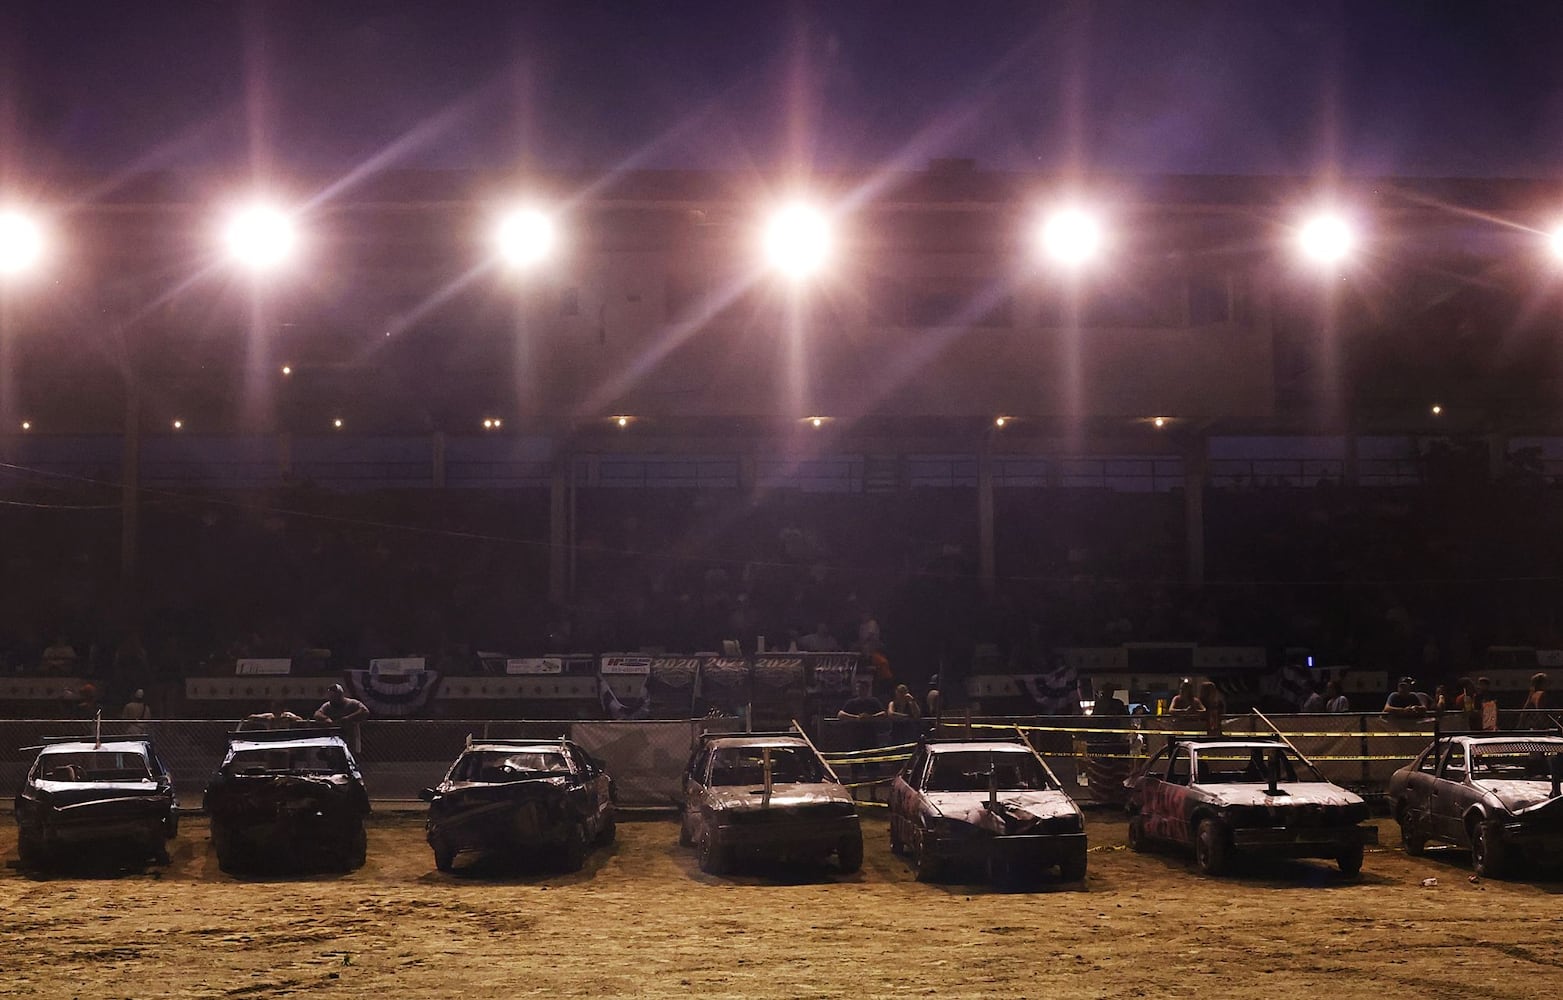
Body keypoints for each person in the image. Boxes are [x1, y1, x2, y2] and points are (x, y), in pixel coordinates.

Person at [313, 684, 370, 756]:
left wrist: (348, 718)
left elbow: (365, 711)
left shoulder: (352, 703)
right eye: (331, 696)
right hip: (333, 739)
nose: (333, 699)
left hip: (351, 738)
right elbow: (317, 714)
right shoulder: (328, 706)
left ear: (341, 694)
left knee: (351, 758)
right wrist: (326, 718)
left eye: (335, 696)